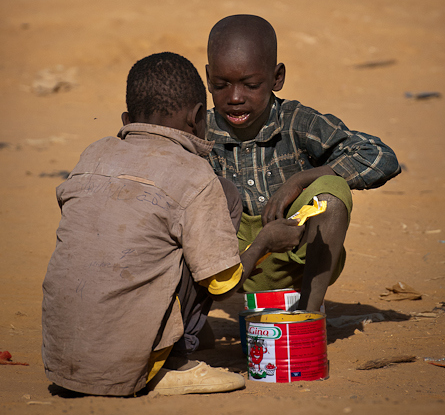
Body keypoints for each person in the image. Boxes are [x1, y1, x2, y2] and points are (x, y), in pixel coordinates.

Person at [42, 52, 303, 397]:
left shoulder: (94, 154)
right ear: (197, 118)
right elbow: (223, 283)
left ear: (126, 118)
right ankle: (173, 362)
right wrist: (265, 241)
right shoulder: (196, 176)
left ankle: (171, 337)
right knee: (225, 197)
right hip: (127, 365)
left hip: (62, 359)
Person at [205, 15, 401, 312]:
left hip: (297, 262)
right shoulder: (199, 133)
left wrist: (300, 180)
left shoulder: (297, 122)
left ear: (277, 78)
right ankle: (190, 327)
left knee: (331, 191)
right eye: (221, 85)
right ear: (208, 79)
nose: (235, 97)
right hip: (230, 268)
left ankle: (308, 314)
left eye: (251, 85)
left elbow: (379, 156)